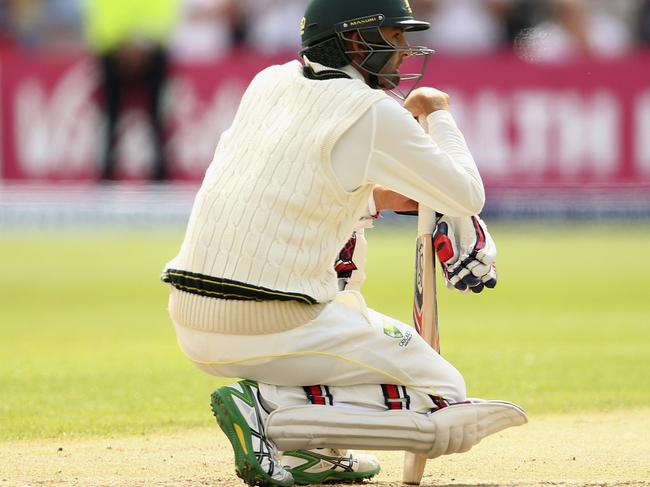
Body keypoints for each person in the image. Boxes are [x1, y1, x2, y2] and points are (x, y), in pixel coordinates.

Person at [162, 0, 527, 485]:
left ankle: (311, 453)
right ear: (356, 41)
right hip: (274, 318)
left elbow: (291, 188)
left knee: (350, 300)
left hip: (191, 316)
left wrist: (377, 201)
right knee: (446, 400)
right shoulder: (371, 111)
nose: (404, 50)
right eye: (394, 37)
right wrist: (438, 114)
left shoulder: (268, 81)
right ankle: (271, 411)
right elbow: (468, 193)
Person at [83, 0, 179, 181]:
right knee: (110, 119)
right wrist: (122, 41)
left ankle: (160, 177)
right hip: (118, 49)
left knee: (157, 118)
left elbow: (166, 10)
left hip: (144, 50)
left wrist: (137, 41)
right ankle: (107, 177)